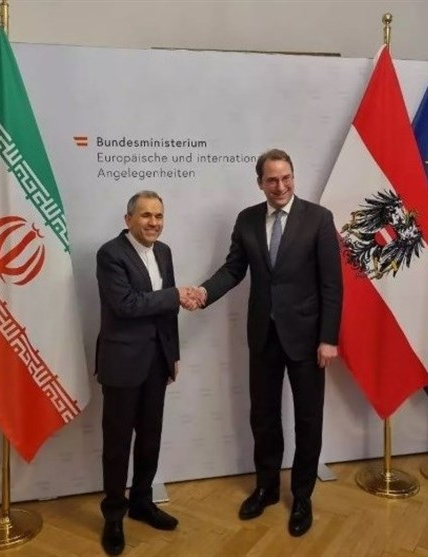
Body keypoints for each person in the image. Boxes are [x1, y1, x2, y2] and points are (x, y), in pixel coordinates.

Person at [189, 148, 342, 537]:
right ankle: (267, 488)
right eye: (272, 180)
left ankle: (302, 496)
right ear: (260, 182)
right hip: (263, 337)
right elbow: (233, 270)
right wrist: (204, 293)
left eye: (286, 177)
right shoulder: (247, 219)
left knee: (308, 419)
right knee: (264, 416)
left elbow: (332, 284)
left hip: (307, 339)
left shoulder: (319, 219)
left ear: (293, 177)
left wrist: (328, 338)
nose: (280, 186)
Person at [95, 190, 197, 555]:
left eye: (159, 216)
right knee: (117, 444)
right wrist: (176, 294)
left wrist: (173, 355)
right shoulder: (110, 254)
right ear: (128, 220)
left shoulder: (164, 252)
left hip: (156, 362)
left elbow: (167, 312)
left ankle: (141, 502)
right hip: (122, 363)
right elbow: (125, 304)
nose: (154, 222)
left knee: (150, 438)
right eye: (145, 215)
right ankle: (113, 516)